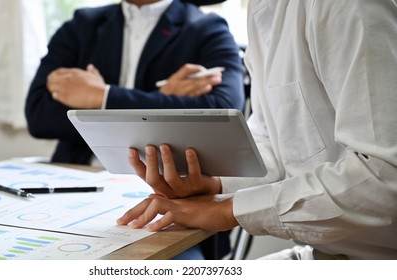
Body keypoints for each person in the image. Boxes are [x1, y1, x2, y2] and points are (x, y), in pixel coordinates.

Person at [117, 0, 397, 260]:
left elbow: (386, 177)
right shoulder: (263, 11)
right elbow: (278, 144)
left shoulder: (345, 6)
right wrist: (216, 184)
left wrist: (228, 210)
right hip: (326, 254)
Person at [25, 0, 244, 259]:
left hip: (167, 194)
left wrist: (100, 96)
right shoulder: (81, 25)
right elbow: (38, 114)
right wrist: (159, 99)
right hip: (77, 185)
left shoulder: (207, 28)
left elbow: (222, 111)